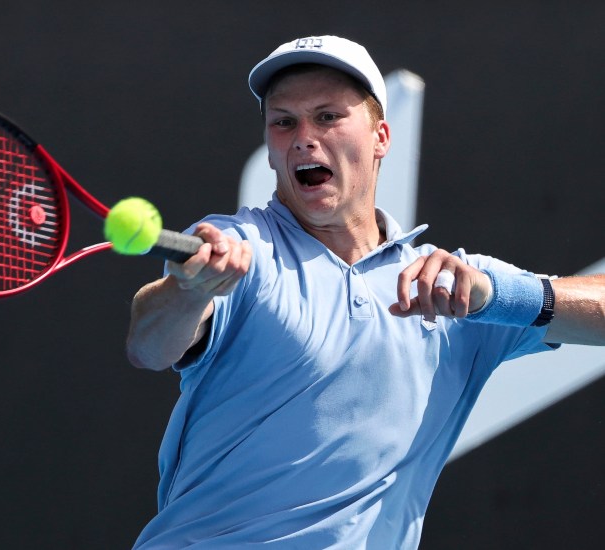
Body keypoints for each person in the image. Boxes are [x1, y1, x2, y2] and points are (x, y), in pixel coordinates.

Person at [126, 35, 605, 548]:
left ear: (380, 137)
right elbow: (149, 346)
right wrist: (187, 289)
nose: (303, 137)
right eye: (284, 121)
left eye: (328, 116)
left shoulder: (452, 285)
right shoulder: (244, 247)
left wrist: (497, 296)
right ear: (269, 146)